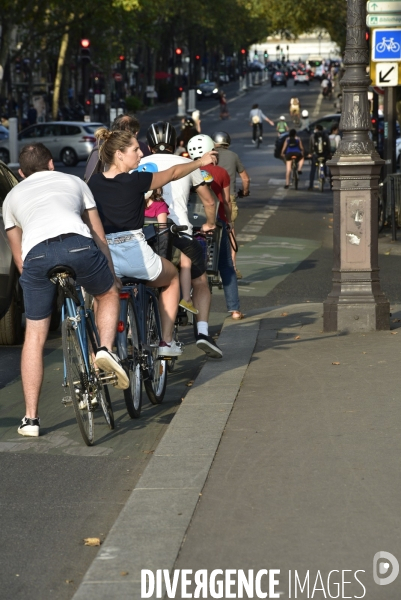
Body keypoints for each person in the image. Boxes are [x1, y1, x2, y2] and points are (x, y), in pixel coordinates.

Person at [3, 143, 130, 437]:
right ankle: (105, 351)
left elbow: (18, 255)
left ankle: (31, 420)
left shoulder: (11, 198)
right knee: (107, 294)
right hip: (78, 245)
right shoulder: (74, 181)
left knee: (35, 335)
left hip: (36, 256)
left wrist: (36, 281)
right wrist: (110, 274)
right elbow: (98, 232)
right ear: (51, 164)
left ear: (21, 173)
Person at [87, 126, 218, 358]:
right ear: (119, 153)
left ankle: (100, 351)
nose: (140, 154)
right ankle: (166, 342)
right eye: (136, 150)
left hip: (106, 258)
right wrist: (201, 162)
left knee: (102, 296)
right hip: (136, 255)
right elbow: (175, 171)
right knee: (172, 277)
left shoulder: (94, 183)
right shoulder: (137, 180)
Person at [136, 121, 223, 358]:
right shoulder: (188, 163)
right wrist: (210, 224)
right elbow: (209, 201)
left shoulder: (137, 164)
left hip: (145, 234)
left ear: (149, 144)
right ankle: (203, 332)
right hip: (180, 233)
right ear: (175, 143)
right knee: (201, 281)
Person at [187, 134, 244, 320]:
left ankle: (185, 302)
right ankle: (234, 310)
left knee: (187, 265)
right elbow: (226, 201)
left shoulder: (186, 170)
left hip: (191, 223)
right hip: (215, 223)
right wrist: (228, 222)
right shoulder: (221, 172)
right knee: (226, 265)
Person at [211, 131, 250, 279]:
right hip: (229, 198)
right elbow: (245, 179)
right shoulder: (233, 156)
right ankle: (232, 267)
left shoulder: (209, 155)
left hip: (210, 198)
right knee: (230, 231)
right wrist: (245, 192)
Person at [84, 113, 150, 182]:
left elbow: (89, 178)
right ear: (136, 133)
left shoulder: (101, 145)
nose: (140, 153)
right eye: (135, 150)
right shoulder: (142, 147)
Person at [308, 124, 331, 190]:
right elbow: (328, 146)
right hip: (324, 155)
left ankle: (310, 185)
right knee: (324, 165)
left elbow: (310, 146)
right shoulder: (325, 135)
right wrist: (328, 153)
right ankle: (325, 176)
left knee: (313, 169)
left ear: (316, 129)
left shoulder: (313, 136)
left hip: (316, 155)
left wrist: (310, 153)